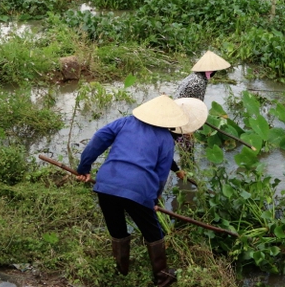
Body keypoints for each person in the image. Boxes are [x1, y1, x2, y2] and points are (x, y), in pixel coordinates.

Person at [76, 95, 208, 287]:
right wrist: (154, 200)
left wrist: (84, 168)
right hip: (138, 189)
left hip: (106, 184)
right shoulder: (165, 139)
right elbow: (162, 174)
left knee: (117, 227)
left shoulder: (124, 122)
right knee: (153, 232)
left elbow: (98, 140)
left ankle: (122, 268)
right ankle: (163, 276)